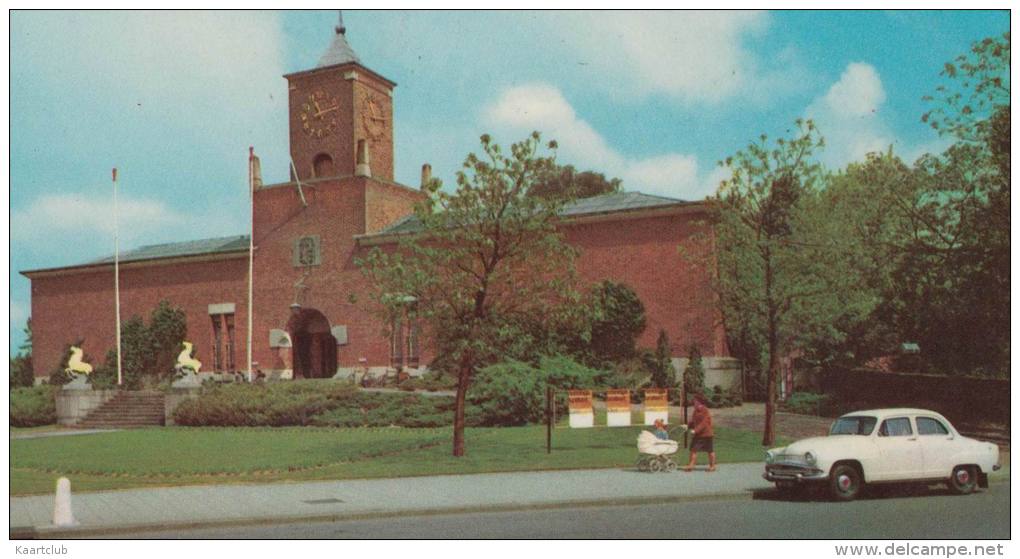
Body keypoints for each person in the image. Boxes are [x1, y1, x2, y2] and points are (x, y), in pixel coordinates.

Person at [684, 394, 716, 472]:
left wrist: (696, 430)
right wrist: (687, 426)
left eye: (694, 401)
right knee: (693, 449)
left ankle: (712, 466)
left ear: (699, 402)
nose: (693, 403)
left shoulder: (705, 410)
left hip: (706, 434)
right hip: (698, 435)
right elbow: (694, 421)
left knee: (710, 450)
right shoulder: (695, 411)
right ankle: (691, 465)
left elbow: (704, 423)